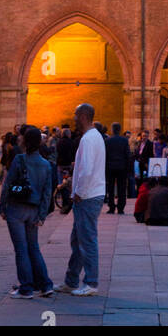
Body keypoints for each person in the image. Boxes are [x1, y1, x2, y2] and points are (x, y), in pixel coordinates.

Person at [0, 125, 55, 298]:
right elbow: (47, 192)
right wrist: (42, 215)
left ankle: (26, 288)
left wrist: (2, 206)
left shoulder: (19, 160)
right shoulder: (46, 165)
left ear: (26, 141)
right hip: (34, 211)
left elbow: (8, 184)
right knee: (34, 248)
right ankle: (45, 285)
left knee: (21, 250)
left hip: (16, 209)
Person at [57, 102, 106, 297]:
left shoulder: (88, 139)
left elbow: (86, 169)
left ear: (84, 116)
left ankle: (91, 282)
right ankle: (71, 281)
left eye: (76, 115)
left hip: (88, 196)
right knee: (77, 240)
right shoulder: (93, 137)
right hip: (90, 194)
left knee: (86, 240)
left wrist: (79, 192)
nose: (74, 118)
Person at [105, 122, 132, 215]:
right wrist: (128, 168)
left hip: (110, 167)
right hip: (122, 167)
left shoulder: (107, 140)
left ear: (112, 129)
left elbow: (105, 155)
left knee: (110, 188)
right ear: (120, 130)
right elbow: (128, 155)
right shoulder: (124, 140)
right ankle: (121, 208)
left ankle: (111, 207)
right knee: (122, 188)